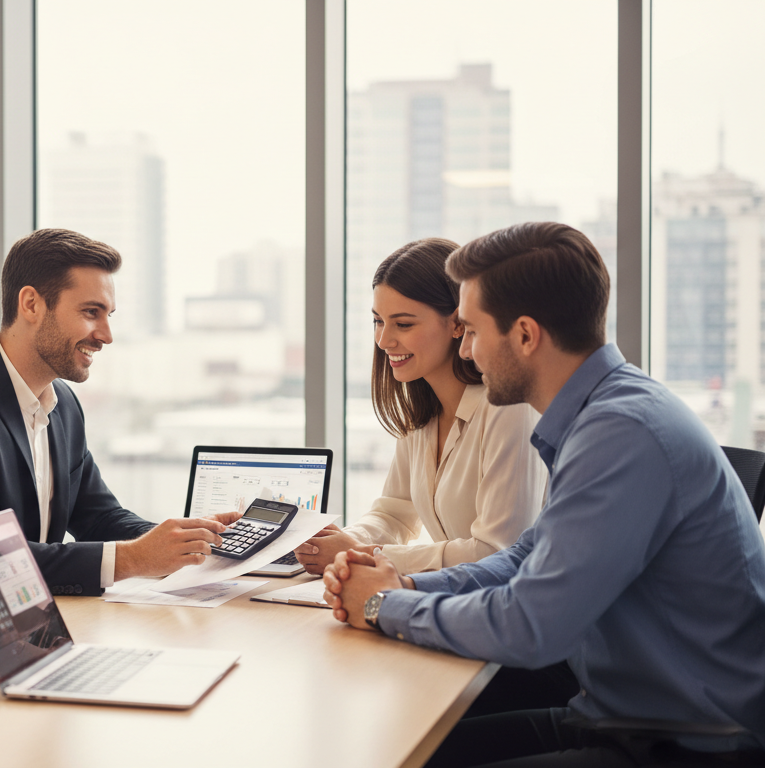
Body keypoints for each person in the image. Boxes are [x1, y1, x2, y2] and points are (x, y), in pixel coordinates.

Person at [323, 222, 765, 766]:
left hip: (686, 743)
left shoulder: (622, 433)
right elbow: (526, 554)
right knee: (398, 749)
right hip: (611, 714)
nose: (467, 349)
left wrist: (383, 603)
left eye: (472, 331)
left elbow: (529, 625)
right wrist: (408, 583)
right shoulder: (597, 416)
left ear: (526, 335)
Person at [0, 228, 238, 618]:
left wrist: (189, 542)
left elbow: (99, 517)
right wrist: (134, 559)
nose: (107, 336)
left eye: (108, 316)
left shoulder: (62, 406)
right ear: (31, 304)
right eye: (90, 312)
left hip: (27, 619)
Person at [296, 238, 546, 577]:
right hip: (455, 600)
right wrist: (341, 542)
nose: (384, 340)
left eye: (403, 324)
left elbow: (496, 551)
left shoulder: (509, 407)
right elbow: (395, 513)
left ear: (458, 323)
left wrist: (368, 553)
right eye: (378, 321)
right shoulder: (422, 411)